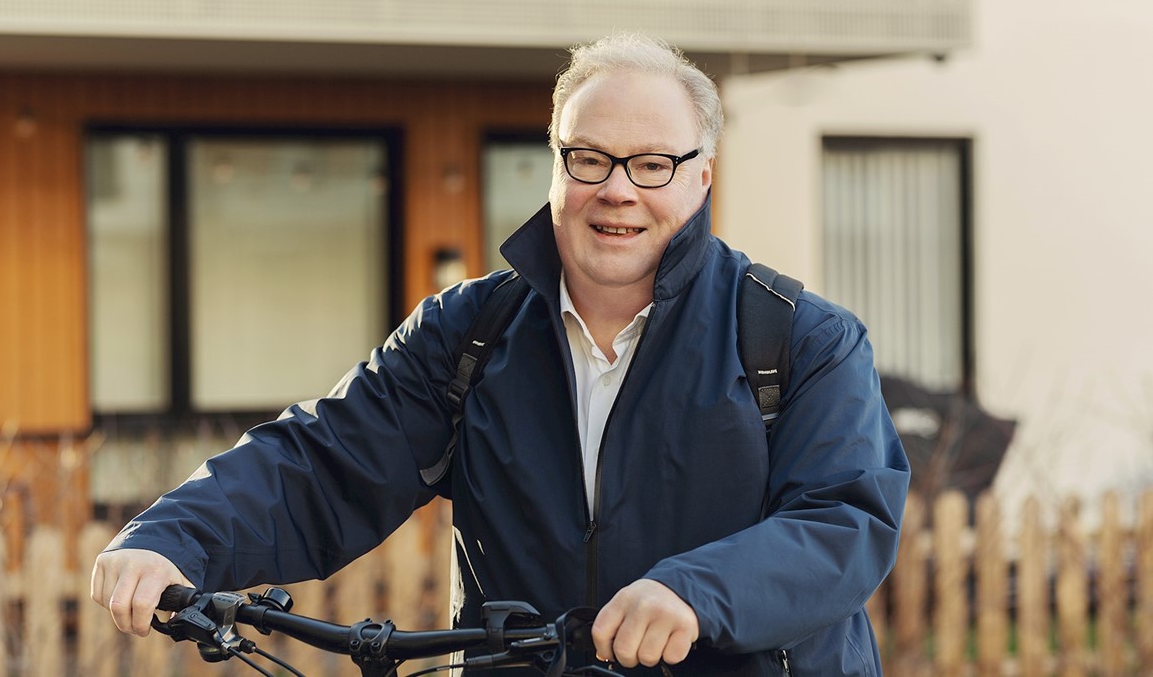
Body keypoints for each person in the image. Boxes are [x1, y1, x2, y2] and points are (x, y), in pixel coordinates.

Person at [92, 33, 910, 675]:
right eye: (588, 158)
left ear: (701, 179)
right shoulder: (469, 334)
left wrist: (695, 592)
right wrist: (172, 537)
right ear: (554, 164)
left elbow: (844, 519)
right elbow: (324, 460)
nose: (617, 189)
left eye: (652, 165)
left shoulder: (799, 338)